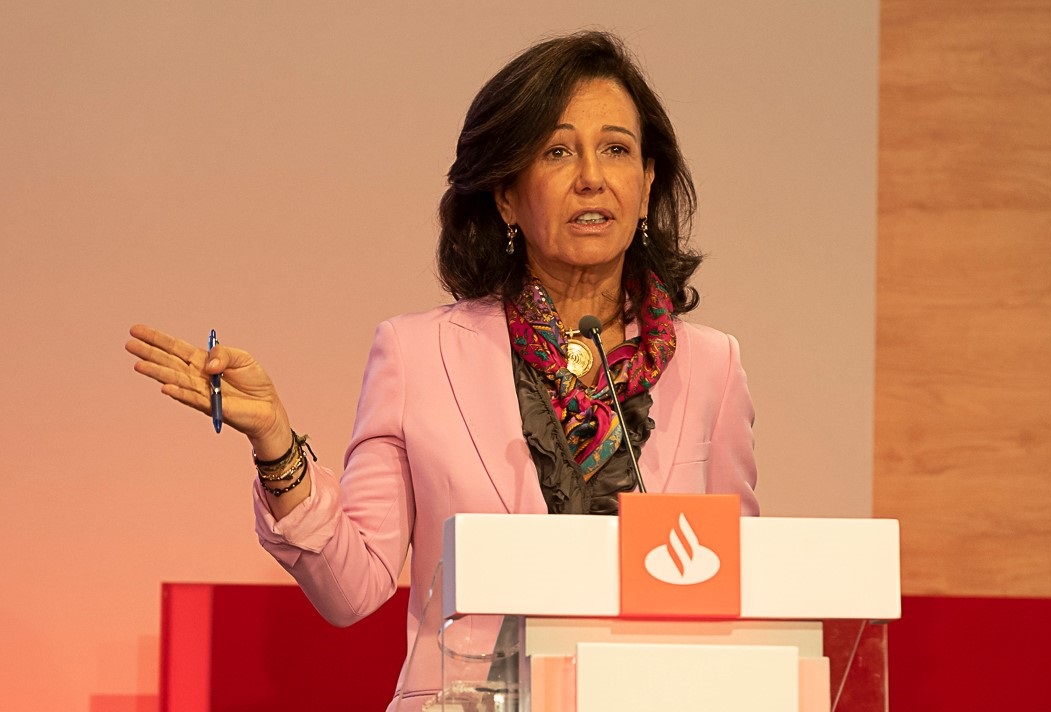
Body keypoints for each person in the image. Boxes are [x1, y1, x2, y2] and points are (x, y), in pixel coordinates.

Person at [127, 30, 758, 711]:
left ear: (647, 182)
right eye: (556, 151)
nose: (592, 177)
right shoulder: (417, 354)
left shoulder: (711, 367)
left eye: (616, 149)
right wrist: (276, 443)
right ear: (507, 196)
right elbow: (351, 587)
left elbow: (741, 587)